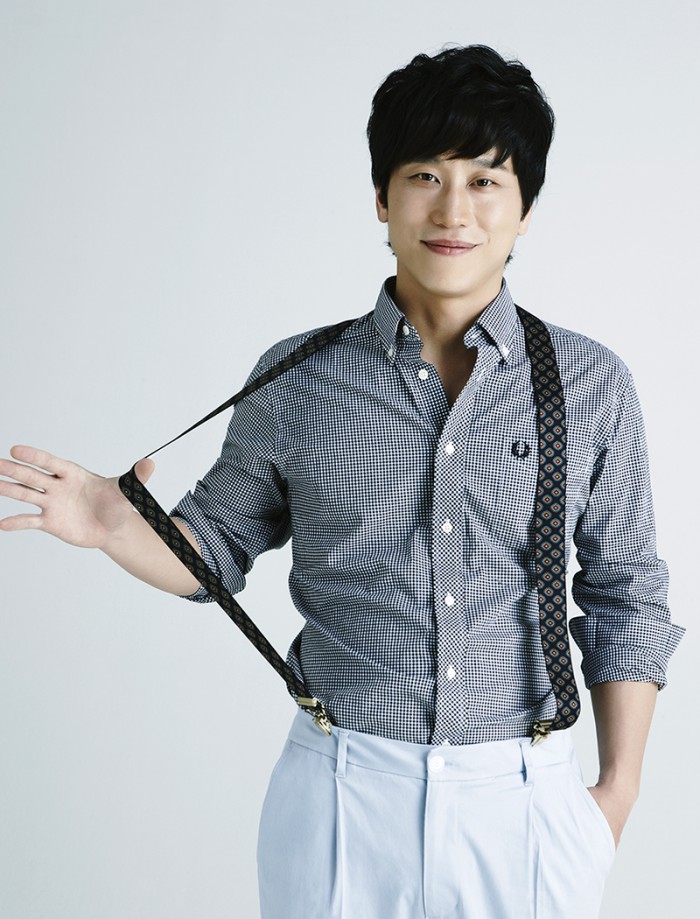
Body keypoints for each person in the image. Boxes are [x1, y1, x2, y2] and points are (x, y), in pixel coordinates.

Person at [0, 44, 685, 919]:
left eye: (485, 181)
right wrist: (111, 524)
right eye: (424, 176)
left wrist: (616, 793)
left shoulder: (591, 384)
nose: (453, 210)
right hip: (339, 798)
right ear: (381, 198)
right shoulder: (297, 378)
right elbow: (213, 549)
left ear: (525, 209)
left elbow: (626, 592)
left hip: (526, 807)